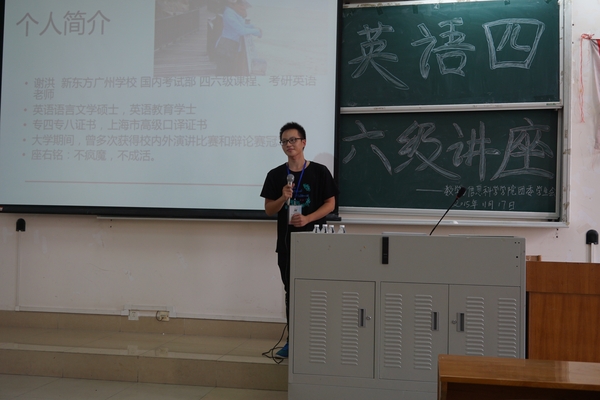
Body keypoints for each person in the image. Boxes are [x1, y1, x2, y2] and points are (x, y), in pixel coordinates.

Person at [260, 122, 338, 358]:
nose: (289, 144)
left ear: (303, 142)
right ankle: (293, 340)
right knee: (292, 292)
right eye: (284, 141)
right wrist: (282, 198)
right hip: (287, 245)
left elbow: (330, 204)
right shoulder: (275, 175)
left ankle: (319, 339)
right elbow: (269, 210)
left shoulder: (320, 172)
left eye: (293, 140)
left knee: (318, 292)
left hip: (316, 243)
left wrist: (308, 219)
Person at [214, 0, 262, 76]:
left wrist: (253, 27)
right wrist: (257, 32)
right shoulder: (229, 13)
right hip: (226, 46)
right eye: (239, 4)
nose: (241, 6)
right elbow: (241, 30)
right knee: (223, 72)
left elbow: (241, 25)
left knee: (226, 71)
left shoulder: (232, 12)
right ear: (232, 4)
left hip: (228, 46)